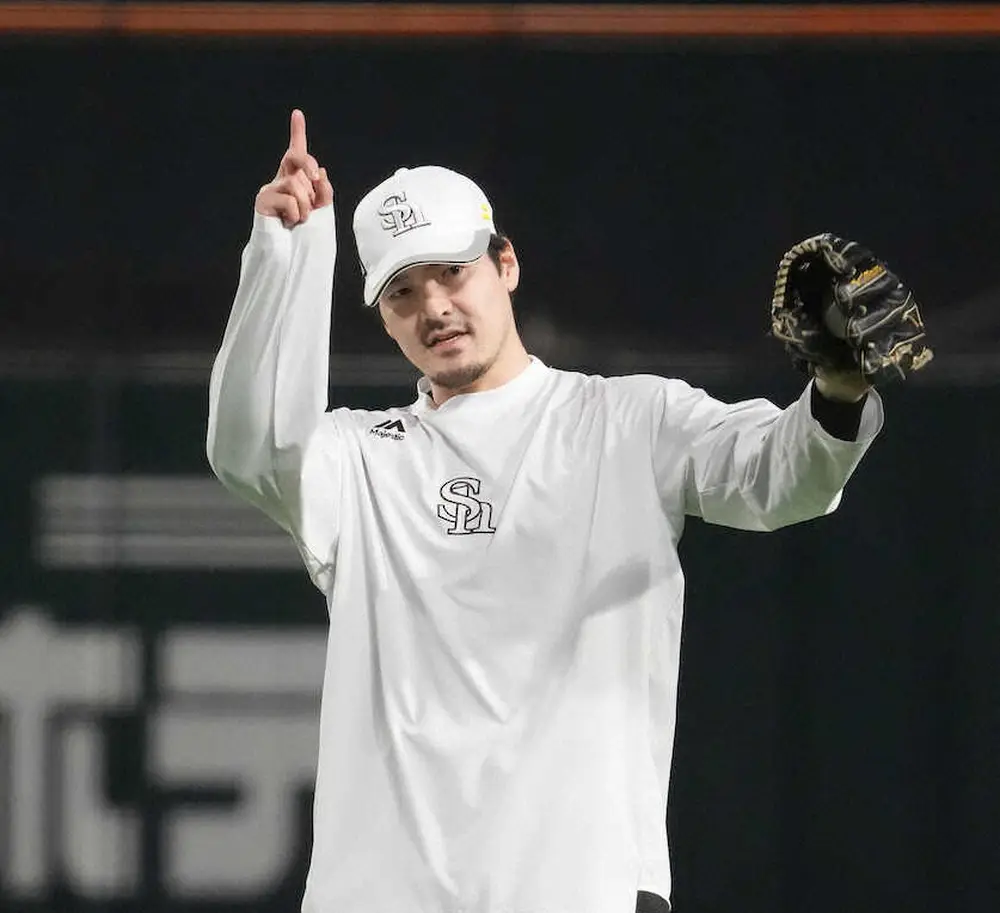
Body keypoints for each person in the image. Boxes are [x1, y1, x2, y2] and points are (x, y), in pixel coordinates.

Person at [207, 110, 881, 913]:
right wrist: (285, 255)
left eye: (452, 272)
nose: (434, 307)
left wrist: (839, 382)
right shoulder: (359, 459)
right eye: (402, 291)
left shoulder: (630, 422)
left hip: (577, 887)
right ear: (383, 316)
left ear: (507, 264)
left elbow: (782, 474)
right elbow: (252, 446)